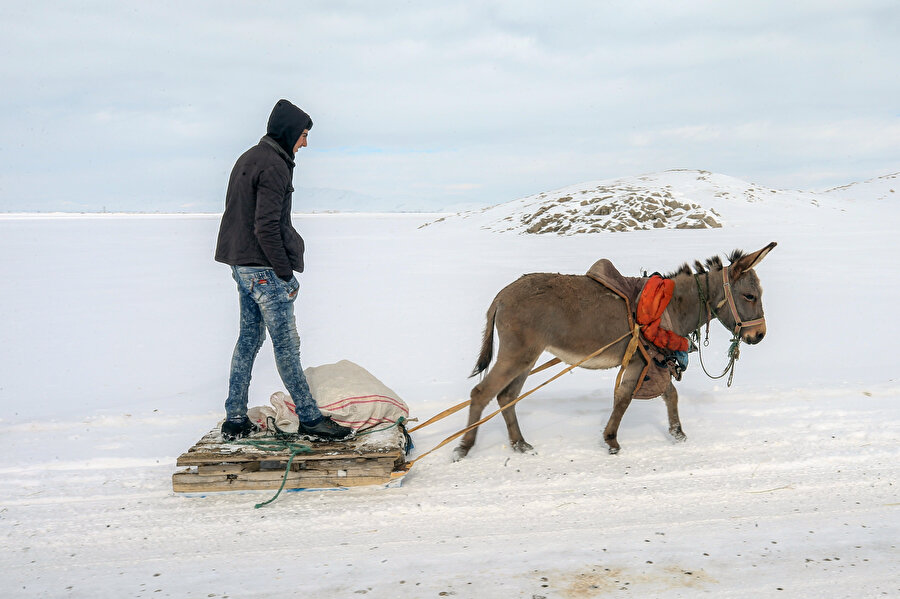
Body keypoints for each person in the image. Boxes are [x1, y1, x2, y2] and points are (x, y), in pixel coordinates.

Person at [214, 99, 351, 441]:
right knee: (286, 346)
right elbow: (266, 226)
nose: (305, 143)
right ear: (289, 132)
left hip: (242, 266)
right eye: (303, 135)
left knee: (248, 340)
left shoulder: (250, 157)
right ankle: (309, 418)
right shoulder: (274, 164)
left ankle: (234, 418)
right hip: (263, 270)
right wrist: (285, 274)